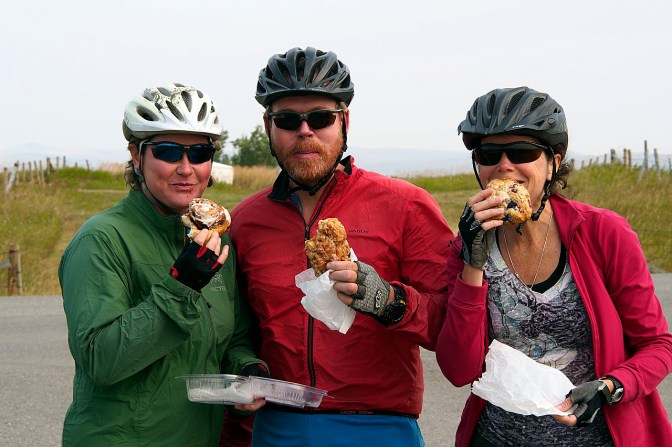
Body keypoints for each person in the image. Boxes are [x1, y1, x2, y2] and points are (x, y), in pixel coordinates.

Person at [221, 46, 454, 447]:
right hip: (278, 425)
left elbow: (454, 327)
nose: (305, 131)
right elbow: (235, 330)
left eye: (321, 118)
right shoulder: (245, 220)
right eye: (288, 120)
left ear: (344, 120)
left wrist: (391, 302)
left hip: (378, 426)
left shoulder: (405, 205)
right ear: (267, 127)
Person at [435, 86, 672, 446]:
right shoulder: (468, 247)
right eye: (489, 153)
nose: (504, 165)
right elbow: (458, 370)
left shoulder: (603, 233)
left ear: (553, 163)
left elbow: (658, 344)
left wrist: (611, 386)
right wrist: (472, 264)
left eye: (522, 152)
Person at [59, 82, 267, 446]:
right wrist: (181, 286)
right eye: (168, 151)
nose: (186, 168)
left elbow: (233, 337)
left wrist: (246, 370)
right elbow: (101, 360)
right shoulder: (102, 240)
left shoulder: (215, 239)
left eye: (200, 152)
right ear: (136, 156)